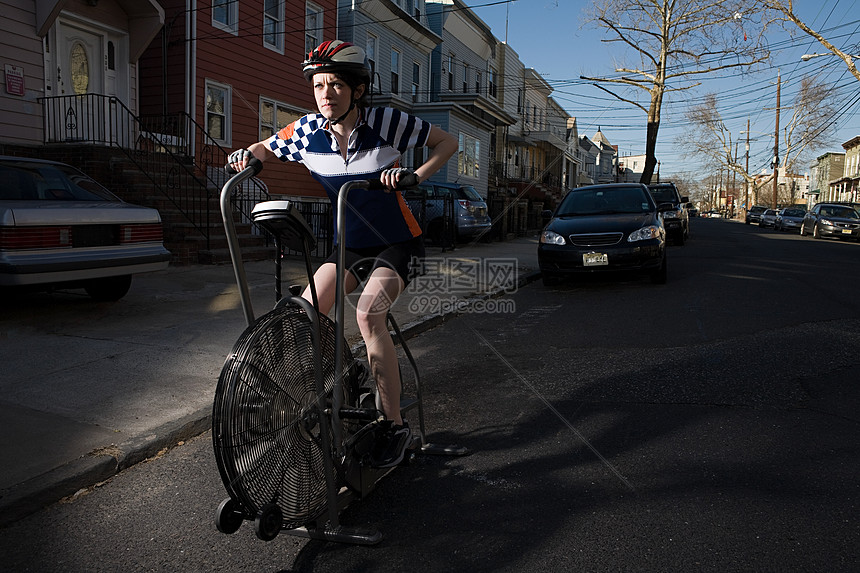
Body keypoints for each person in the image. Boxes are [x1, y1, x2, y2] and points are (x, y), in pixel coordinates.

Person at [228, 40, 458, 468]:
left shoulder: (387, 122)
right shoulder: (305, 132)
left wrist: (413, 176)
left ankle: (393, 425)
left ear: (357, 88)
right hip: (348, 244)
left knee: (368, 314)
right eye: (318, 85)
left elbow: (448, 142)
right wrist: (246, 156)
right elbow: (263, 147)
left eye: (334, 84)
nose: (325, 93)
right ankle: (334, 382)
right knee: (303, 309)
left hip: (398, 240)